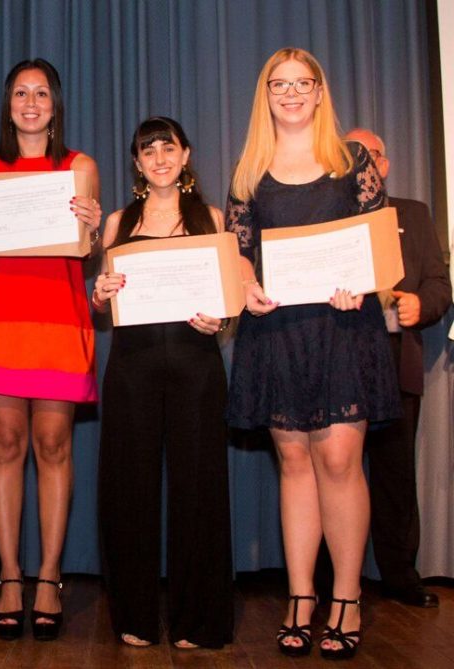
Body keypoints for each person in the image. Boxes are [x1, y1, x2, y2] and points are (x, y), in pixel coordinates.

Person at [226, 47, 400, 660]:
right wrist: (245, 285)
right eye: (281, 84)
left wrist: (366, 280)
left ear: (322, 93)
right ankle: (301, 598)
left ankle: (346, 598)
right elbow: (240, 248)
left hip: (341, 330)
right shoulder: (251, 166)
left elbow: (379, 239)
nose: (292, 93)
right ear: (265, 93)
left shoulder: (351, 160)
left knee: (339, 464)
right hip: (276, 333)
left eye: (304, 83)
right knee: (294, 465)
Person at [0, 58, 102, 642]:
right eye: (21, 92)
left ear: (55, 104)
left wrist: (90, 226)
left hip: (58, 318)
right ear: (8, 103)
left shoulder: (79, 166)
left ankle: (49, 575)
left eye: (41, 93)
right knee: (7, 443)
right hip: (1, 314)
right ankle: (10, 575)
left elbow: (88, 249)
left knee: (53, 443)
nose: (31, 102)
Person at [92, 117, 233, 649]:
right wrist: (100, 295)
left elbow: (226, 303)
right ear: (136, 162)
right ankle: (135, 617)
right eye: (147, 151)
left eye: (167, 148)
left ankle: (198, 620)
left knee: (199, 492)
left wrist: (220, 319)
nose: (159, 158)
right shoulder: (117, 223)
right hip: (133, 368)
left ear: (186, 154)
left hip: (197, 366)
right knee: (129, 490)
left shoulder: (210, 217)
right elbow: (103, 302)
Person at [346, 128, 450, 608]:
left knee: (394, 474)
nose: (363, 163)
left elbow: (439, 285)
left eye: (371, 155)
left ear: (384, 166)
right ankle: (331, 581)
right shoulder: (327, 216)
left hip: (395, 360)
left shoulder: (414, 213)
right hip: (339, 359)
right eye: (351, 155)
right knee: (334, 470)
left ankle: (400, 577)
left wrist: (419, 305)